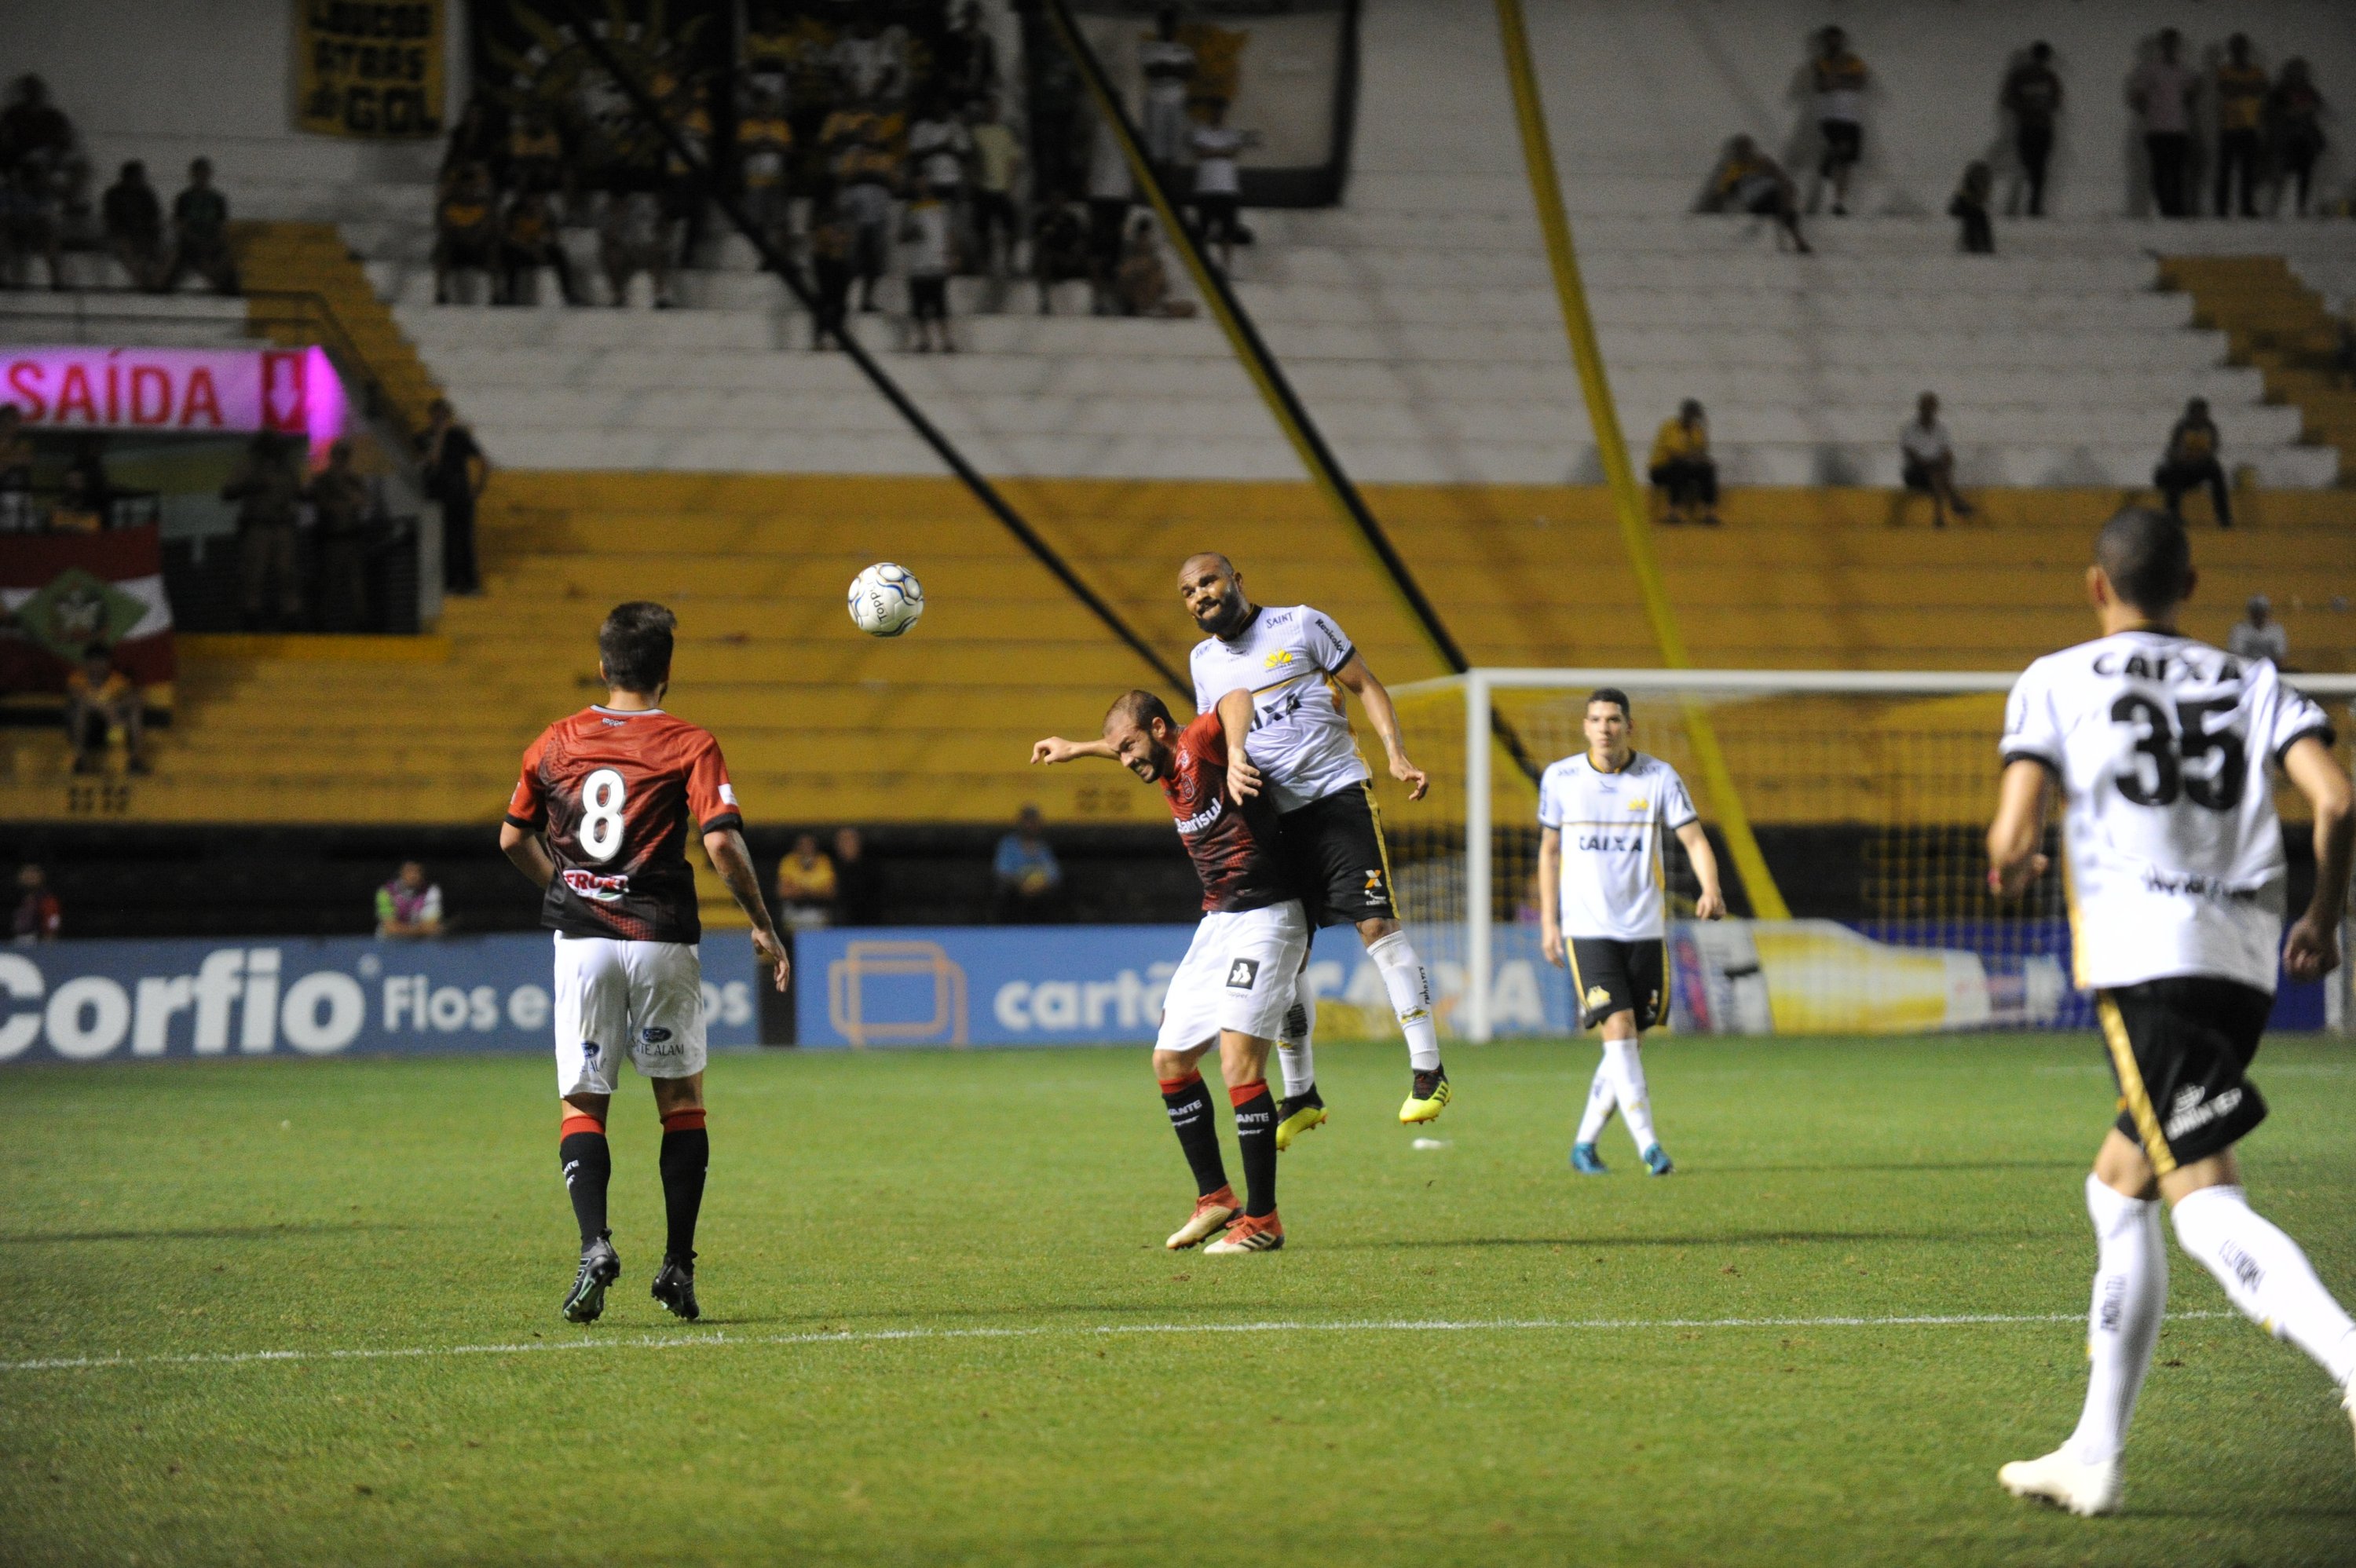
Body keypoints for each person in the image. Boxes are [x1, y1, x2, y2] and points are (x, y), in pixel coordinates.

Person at [1987, 506, 2356, 1518]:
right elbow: (2335, 799)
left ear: (2095, 586)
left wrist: (2013, 853)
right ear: (2191, 586)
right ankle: (2095, 1453)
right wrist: (2323, 916)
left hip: (2144, 961)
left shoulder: (2056, 678)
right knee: (2119, 1188)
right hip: (2244, 964)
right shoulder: (2254, 681)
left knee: (2203, 1203)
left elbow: (2014, 830)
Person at [499, 601, 789, 1325]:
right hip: (661, 935)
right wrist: (762, 921)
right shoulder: (690, 741)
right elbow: (721, 844)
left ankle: (594, 1244)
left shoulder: (556, 740)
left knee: (584, 1101)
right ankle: (678, 1267)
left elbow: (511, 837)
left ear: (603, 667)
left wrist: (569, 888)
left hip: (583, 939)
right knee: (680, 1102)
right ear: (667, 671)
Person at [1180, 553, 1447, 1133]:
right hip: (1272, 817)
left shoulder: (1299, 624)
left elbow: (1366, 685)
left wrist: (1395, 753)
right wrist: (1230, 770)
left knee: (1376, 925)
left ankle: (1429, 1067)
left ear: (1237, 580)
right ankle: (1301, 1094)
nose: (1201, 594)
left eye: (1209, 580)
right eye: (1190, 591)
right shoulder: (1203, 661)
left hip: (1336, 796)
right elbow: (1216, 736)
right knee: (1289, 950)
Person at [1031, 685, 1302, 1255]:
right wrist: (1077, 748)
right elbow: (1124, 744)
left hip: (1268, 913)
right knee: (1170, 1059)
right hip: (1219, 920)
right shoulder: (1156, 758)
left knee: (1237, 1060)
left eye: (1130, 747)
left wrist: (1236, 754)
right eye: (1119, 752)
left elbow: (1235, 696)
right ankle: (1216, 1197)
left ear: (1159, 729)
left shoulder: (1201, 744)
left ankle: (1264, 1219)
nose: (1126, 761)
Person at [1539, 689, 1725, 1177]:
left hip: (1645, 928)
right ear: (1585, 726)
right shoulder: (1561, 778)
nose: (1605, 727)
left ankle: (1584, 1144)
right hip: (1587, 929)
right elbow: (1549, 853)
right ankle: (1650, 1147)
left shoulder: (1659, 777)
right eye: (1597, 719)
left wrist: (1711, 888)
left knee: (1629, 1042)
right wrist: (1548, 923)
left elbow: (1693, 838)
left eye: (1614, 719)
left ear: (1629, 727)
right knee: (1617, 1029)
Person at [220, 432, 304, 628]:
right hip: (258, 527)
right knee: (254, 576)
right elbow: (227, 492)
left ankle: (291, 617)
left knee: (287, 573)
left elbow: (298, 492)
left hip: (283, 526)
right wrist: (253, 486)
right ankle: (252, 618)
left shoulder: (287, 468)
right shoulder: (250, 466)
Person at [418, 399, 488, 596]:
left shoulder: (458, 436)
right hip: (439, 498)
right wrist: (439, 435)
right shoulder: (424, 437)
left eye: (444, 416)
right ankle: (449, 583)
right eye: (437, 416)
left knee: (465, 540)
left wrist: (478, 488)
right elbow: (433, 461)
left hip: (461, 497)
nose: (440, 420)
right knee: (445, 541)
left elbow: (483, 461)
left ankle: (470, 583)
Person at [2129, 30, 2198, 218]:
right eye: (2167, 43)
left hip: (2179, 129)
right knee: (2160, 172)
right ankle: (2165, 209)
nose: (2170, 47)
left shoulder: (2184, 71)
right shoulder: (2150, 69)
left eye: (2173, 44)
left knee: (2177, 172)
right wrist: (2153, 112)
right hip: (2157, 129)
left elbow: (2191, 96)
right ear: (2162, 45)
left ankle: (2177, 210)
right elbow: (2137, 96)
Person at [307, 437, 375, 630]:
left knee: (356, 585)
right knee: (330, 584)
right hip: (331, 539)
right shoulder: (324, 479)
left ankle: (360, 623)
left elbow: (362, 501)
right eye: (338, 456)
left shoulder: (352, 479)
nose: (341, 461)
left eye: (344, 457)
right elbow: (316, 500)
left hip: (351, 538)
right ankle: (322, 623)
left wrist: (344, 489)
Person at [1703, 135, 1809, 254]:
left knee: (1784, 203)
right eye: (1741, 149)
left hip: (1773, 197)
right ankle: (1798, 239)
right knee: (1782, 202)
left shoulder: (1762, 162)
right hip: (1758, 202)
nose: (1745, 152)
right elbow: (1722, 193)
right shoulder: (1734, 169)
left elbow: (1784, 181)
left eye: (1746, 149)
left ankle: (1798, 239)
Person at [1186, 98, 1253, 272]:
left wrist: (1213, 151)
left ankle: (1226, 267)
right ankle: (1200, 266)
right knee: (1202, 231)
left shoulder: (1232, 133)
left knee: (1228, 232)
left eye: (1221, 111)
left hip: (1227, 189)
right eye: (1215, 110)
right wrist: (1222, 152)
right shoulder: (1201, 132)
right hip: (1205, 189)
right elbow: (1201, 152)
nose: (1218, 114)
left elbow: (1233, 152)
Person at [1809, 25, 1868, 215]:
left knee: (1846, 162)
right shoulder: (1821, 61)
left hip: (1852, 117)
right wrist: (1843, 78)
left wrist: (1837, 79)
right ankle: (1829, 158)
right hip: (1830, 115)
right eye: (1830, 39)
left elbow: (1860, 83)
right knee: (1841, 148)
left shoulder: (1854, 61)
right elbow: (1822, 85)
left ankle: (1839, 203)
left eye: (1837, 39)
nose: (1834, 43)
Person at [2001, 42, 2063, 217]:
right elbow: (2057, 102)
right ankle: (2032, 206)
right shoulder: (2049, 77)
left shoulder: (2022, 76)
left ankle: (2029, 206)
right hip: (2040, 127)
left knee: (2031, 166)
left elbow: (2008, 99)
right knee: (2037, 168)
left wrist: (2023, 109)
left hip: (2028, 126)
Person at [65, 642, 145, 775]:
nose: (97, 667)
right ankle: (81, 760)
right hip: (85, 733)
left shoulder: (118, 681)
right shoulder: (77, 679)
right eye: (93, 663)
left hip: (112, 733)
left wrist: (113, 711)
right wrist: (106, 710)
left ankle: (135, 760)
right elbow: (79, 698)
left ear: (108, 664)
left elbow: (133, 700)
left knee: (136, 705)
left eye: (101, 663)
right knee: (81, 707)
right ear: (86, 664)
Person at [2212, 35, 2268, 219]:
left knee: (2248, 171)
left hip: (2250, 127)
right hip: (2229, 127)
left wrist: (2239, 88)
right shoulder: (2225, 71)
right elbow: (2226, 90)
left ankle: (2246, 207)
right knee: (2225, 170)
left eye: (2241, 48)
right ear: (2231, 50)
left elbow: (2261, 88)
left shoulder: (2257, 71)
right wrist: (2247, 88)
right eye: (2235, 48)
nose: (2239, 51)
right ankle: (2221, 209)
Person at [163, 157, 236, 294]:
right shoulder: (184, 198)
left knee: (228, 257)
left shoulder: (217, 199)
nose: (202, 176)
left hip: (212, 243)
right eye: (199, 173)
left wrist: (214, 242)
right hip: (191, 244)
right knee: (191, 256)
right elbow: (181, 226)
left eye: (205, 173)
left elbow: (222, 227)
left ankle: (228, 290)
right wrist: (197, 241)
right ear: (193, 175)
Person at [2155, 397, 2230, 528]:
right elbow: (2172, 454)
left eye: (2202, 414)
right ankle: (2173, 516)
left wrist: (2199, 458)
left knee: (2216, 470)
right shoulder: (2181, 428)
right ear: (2190, 414)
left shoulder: (2210, 428)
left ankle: (2224, 517)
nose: (2199, 418)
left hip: (2198, 470)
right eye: (2196, 414)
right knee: (2172, 474)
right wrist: (2185, 458)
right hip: (2181, 471)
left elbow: (2212, 451)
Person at [968, 98, 1022, 280]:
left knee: (1011, 228)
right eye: (989, 109)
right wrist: (974, 181)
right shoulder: (977, 131)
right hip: (983, 189)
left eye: (995, 109)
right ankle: (985, 266)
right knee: (982, 232)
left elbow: (1013, 159)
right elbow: (972, 159)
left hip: (1002, 189)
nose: (992, 112)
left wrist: (1010, 184)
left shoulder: (1005, 132)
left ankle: (1008, 264)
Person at [1900, 392, 1973, 525]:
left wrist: (1944, 463)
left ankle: (1939, 517)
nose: (1928, 410)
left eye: (1931, 407)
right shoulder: (1909, 429)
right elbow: (1912, 456)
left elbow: (1947, 454)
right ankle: (1954, 503)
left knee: (1937, 475)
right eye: (1925, 407)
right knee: (1936, 473)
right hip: (1915, 473)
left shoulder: (1941, 429)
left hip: (1935, 472)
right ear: (1920, 408)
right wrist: (1931, 464)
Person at [1138, 9, 1197, 173]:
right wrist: (1176, 69)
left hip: (1177, 99)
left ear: (1176, 27)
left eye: (1172, 25)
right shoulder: (1149, 48)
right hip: (1155, 98)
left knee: (1175, 140)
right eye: (1165, 25)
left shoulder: (1185, 50)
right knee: (1155, 141)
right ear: (1159, 26)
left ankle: (1171, 176)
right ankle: (1156, 175)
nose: (1169, 28)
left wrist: (1166, 68)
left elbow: (1189, 73)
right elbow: (1152, 72)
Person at [900, 180, 957, 353]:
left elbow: (949, 233)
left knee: (940, 307)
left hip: (936, 265)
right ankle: (924, 341)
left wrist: (952, 256)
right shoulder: (910, 210)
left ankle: (947, 341)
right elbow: (902, 236)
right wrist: (911, 232)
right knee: (919, 308)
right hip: (918, 266)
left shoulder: (941, 208)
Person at [2266, 60, 2326, 217]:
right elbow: (2272, 111)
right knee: (2281, 174)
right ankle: (2273, 207)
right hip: (2286, 139)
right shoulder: (2279, 92)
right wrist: (2291, 112)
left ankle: (2302, 208)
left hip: (2305, 140)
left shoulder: (2308, 90)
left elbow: (2319, 106)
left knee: (2305, 175)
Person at [498, 188, 577, 307]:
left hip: (541, 251)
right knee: (510, 257)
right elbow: (508, 237)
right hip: (521, 250)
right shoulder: (515, 212)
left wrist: (541, 247)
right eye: (532, 198)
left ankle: (569, 294)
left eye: (538, 198)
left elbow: (554, 236)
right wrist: (529, 248)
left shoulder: (547, 213)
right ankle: (510, 295)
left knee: (559, 254)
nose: (534, 201)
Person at [433, 163, 498, 305]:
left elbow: (489, 227)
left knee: (494, 249)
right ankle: (441, 292)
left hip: (478, 246)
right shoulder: (447, 204)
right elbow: (444, 227)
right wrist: (462, 237)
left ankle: (496, 293)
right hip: (456, 247)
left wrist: (475, 238)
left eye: (472, 186)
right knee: (442, 249)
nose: (468, 190)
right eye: (465, 186)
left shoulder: (485, 204)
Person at [598, 189, 674, 309]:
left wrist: (655, 239)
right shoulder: (607, 212)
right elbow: (606, 239)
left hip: (643, 249)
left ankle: (660, 295)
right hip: (624, 252)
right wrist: (618, 220)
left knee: (658, 251)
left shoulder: (641, 208)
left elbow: (656, 228)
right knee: (611, 255)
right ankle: (618, 296)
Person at [1648, 399, 1718, 526]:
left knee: (1708, 470)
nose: (1691, 418)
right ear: (1683, 413)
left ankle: (1709, 513)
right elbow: (1674, 454)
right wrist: (1694, 458)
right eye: (1689, 414)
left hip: (1686, 466)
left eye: (1695, 416)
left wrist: (1705, 428)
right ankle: (1673, 513)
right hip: (1661, 468)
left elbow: (1701, 452)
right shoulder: (1670, 427)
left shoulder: (1696, 430)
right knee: (1677, 468)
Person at [992, 804, 1064, 922]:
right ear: (1020, 823)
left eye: (1034, 822)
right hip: (1015, 890)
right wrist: (1022, 884)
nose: (1030, 825)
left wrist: (1039, 885)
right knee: (1003, 891)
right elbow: (1002, 871)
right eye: (1028, 821)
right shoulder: (1008, 845)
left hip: (1039, 891)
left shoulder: (1042, 847)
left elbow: (1053, 874)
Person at [101, 159, 165, 289]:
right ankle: (141, 281)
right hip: (122, 236)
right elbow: (111, 220)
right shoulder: (114, 194)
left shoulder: (146, 194)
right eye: (136, 177)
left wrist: (150, 234)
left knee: (160, 250)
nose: (139, 180)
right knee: (125, 246)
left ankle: (155, 281)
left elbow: (155, 218)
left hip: (144, 236)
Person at [1030, 188, 1089, 315]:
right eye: (1054, 199)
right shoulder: (1042, 219)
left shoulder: (1072, 220)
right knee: (1046, 259)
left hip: (1068, 259)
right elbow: (1037, 243)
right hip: (1049, 259)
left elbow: (1079, 244)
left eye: (1060, 200)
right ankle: (1045, 301)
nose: (1057, 203)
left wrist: (1073, 257)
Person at [807, 196, 854, 349]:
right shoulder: (823, 218)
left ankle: (838, 337)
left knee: (840, 303)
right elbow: (826, 240)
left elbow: (845, 240)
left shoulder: (842, 220)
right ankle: (819, 337)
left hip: (839, 263)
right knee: (825, 301)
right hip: (825, 262)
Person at [772, 832, 839, 930]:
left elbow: (830, 891)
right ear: (797, 847)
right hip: (795, 911)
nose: (806, 848)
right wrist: (814, 891)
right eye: (802, 845)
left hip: (818, 910)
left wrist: (801, 890)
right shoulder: (789, 861)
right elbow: (783, 892)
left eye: (810, 845)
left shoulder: (823, 861)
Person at [375, 861, 444, 938]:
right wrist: (422, 929)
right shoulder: (385, 892)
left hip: (420, 944)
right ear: (401, 872)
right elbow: (390, 928)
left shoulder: (431, 891)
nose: (414, 876)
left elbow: (431, 926)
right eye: (410, 871)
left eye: (418, 871)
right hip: (390, 943)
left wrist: (400, 928)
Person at [831, 826, 879, 925]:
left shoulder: (872, 869)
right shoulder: (829, 867)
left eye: (851, 840)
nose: (847, 845)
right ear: (837, 845)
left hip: (869, 922)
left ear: (859, 843)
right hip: (838, 923)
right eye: (843, 841)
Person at [2226, 594, 2288, 666]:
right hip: (2246, 670)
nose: (2259, 615)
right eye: (2256, 611)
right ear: (2250, 612)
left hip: (2270, 669)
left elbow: (2280, 656)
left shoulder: (2276, 630)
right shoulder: (2239, 629)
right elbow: (2236, 655)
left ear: (2267, 612)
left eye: (2262, 611)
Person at [1950, 160, 1995, 254]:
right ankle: (1973, 245)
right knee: (1972, 219)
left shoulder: (1981, 184)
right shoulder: (1969, 186)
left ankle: (1982, 245)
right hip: (1964, 206)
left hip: (1971, 206)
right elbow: (1967, 199)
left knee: (1980, 219)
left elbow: (1980, 200)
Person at [10, 863, 60, 945]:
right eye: (26, 873)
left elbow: (53, 923)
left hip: (37, 943)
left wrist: (48, 943)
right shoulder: (17, 899)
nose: (29, 877)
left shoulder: (48, 900)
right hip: (18, 941)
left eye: (33, 873)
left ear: (41, 877)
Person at [46, 465, 103, 532]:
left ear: (84, 483)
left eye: (77, 481)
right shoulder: (56, 508)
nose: (73, 485)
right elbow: (54, 528)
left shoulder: (93, 509)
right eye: (70, 481)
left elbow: (94, 529)